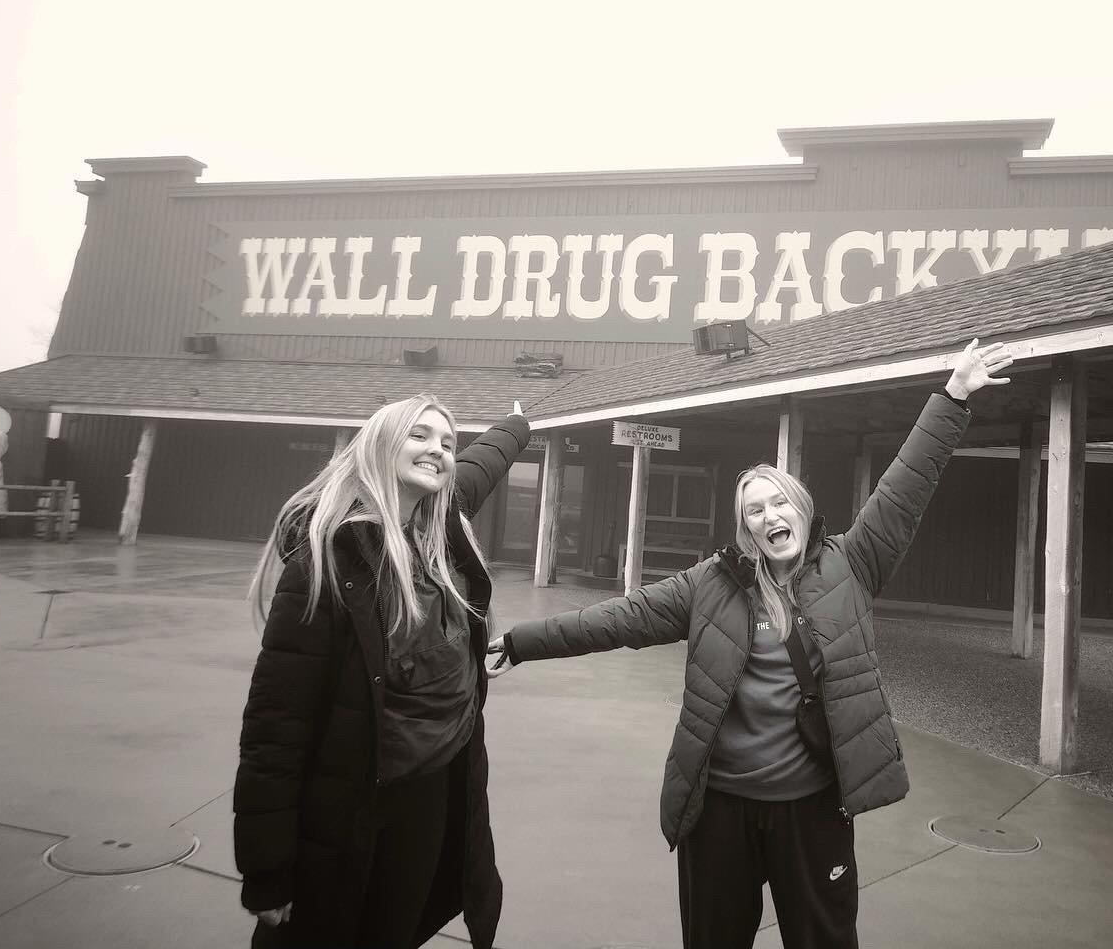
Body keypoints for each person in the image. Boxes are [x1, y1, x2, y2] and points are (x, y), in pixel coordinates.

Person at [487, 339, 1012, 949]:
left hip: (811, 808)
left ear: (803, 509)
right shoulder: (709, 584)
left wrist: (952, 396)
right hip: (719, 810)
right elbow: (619, 619)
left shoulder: (852, 563)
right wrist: (520, 642)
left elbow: (904, 489)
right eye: (754, 510)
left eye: (779, 501)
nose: (769, 516)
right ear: (746, 529)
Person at [234, 395, 529, 949]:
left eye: (447, 443)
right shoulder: (329, 561)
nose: (438, 450)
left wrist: (517, 423)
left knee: (396, 932)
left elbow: (485, 461)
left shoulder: (441, 527)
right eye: (419, 435)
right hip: (354, 807)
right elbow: (275, 729)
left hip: (433, 791)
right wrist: (266, 868)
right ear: (380, 445)